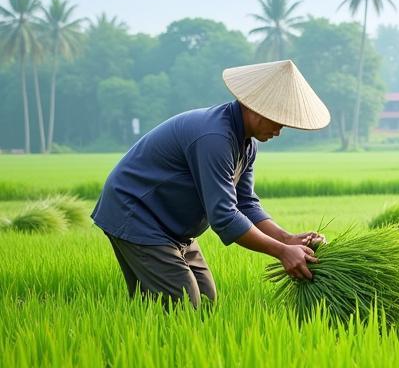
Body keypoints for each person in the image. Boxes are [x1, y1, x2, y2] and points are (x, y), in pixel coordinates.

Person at [92, 59, 331, 307]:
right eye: (277, 121)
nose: (279, 131)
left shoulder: (246, 143)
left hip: (171, 225)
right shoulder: (214, 137)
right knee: (182, 304)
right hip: (135, 213)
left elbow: (245, 203)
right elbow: (225, 217)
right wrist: (281, 252)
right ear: (256, 108)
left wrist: (287, 239)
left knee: (206, 300)